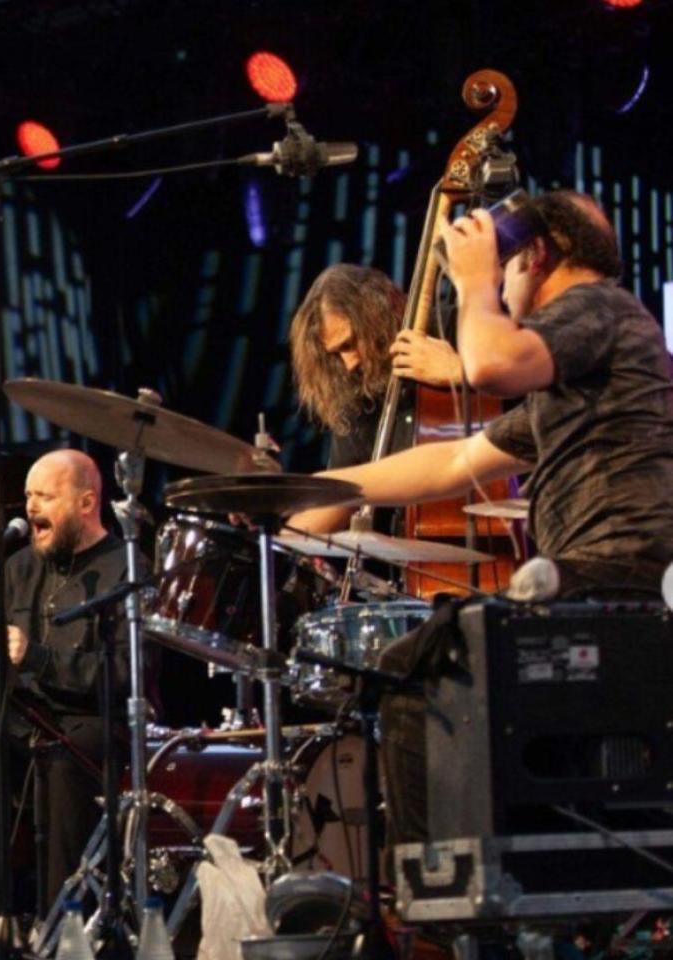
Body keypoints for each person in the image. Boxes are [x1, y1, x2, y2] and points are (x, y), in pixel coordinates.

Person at [288, 189, 673, 845]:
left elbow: (492, 363)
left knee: (418, 673)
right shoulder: (589, 363)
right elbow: (454, 462)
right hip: (603, 582)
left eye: (511, 268)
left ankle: (443, 908)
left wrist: (474, 280)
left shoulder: (596, 307)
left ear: (537, 255)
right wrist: (306, 494)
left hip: (615, 581)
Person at [0, 449, 150, 945]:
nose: (32, 507)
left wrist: (38, 659)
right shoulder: (17, 568)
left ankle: (62, 922)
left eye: (46, 496)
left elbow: (125, 673)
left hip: (92, 718)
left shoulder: (127, 566)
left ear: (86, 502)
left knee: (60, 763)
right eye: (29, 495)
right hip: (24, 713)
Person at [287, 263, 463, 534]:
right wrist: (274, 535)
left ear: (376, 313)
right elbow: (341, 497)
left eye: (349, 344)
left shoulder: (454, 330)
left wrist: (460, 371)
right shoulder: (358, 396)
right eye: (336, 354)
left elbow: (536, 384)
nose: (348, 364)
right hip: (414, 563)